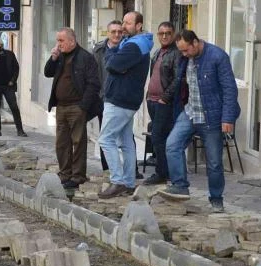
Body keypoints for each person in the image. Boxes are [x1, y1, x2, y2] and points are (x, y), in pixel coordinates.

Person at [161, 30, 240, 213]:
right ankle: (180, 185)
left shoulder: (217, 57)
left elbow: (230, 89)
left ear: (195, 43)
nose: (184, 54)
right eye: (181, 51)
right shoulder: (185, 58)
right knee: (172, 145)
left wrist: (227, 118)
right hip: (190, 112)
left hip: (212, 116)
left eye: (186, 50)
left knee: (213, 162)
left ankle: (216, 198)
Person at [98, 11, 153, 198]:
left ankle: (118, 181)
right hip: (127, 99)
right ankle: (129, 182)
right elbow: (116, 66)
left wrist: (113, 52)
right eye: (123, 22)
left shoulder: (133, 46)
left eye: (128, 23)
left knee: (105, 139)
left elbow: (112, 65)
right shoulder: (134, 44)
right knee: (126, 142)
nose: (123, 26)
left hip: (120, 98)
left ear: (139, 26)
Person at [44, 28, 102, 188]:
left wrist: (84, 105)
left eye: (61, 41)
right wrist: (53, 58)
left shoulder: (85, 57)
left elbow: (94, 84)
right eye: (58, 41)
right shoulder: (60, 56)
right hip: (61, 106)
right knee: (61, 142)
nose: (58, 44)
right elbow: (47, 73)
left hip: (77, 106)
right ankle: (64, 173)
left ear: (71, 41)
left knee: (78, 142)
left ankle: (77, 176)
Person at [143, 21, 180, 185]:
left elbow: (179, 79)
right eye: (161, 33)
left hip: (164, 102)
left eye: (168, 33)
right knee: (159, 137)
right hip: (152, 100)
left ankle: (162, 173)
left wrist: (165, 97)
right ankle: (165, 170)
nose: (164, 36)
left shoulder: (176, 54)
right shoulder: (157, 52)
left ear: (173, 35)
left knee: (158, 136)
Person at [92, 20, 123, 171]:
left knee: (126, 136)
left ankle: (132, 170)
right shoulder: (98, 50)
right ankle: (107, 169)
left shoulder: (128, 49)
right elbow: (93, 74)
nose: (117, 35)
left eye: (120, 31)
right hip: (103, 98)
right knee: (105, 135)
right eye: (113, 32)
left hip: (123, 100)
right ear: (108, 33)